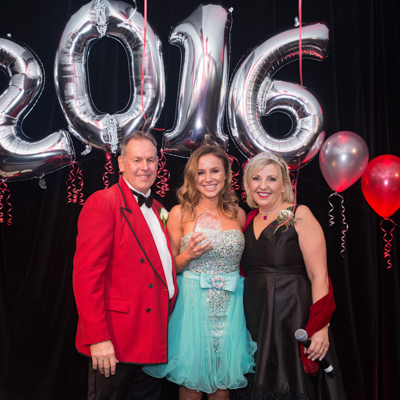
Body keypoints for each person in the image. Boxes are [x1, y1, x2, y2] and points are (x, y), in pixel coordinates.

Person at [143, 145, 256, 400]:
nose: (208, 178)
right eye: (201, 172)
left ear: (226, 174)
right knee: (191, 387)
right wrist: (189, 254)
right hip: (193, 308)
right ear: (193, 177)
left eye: (215, 171)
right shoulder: (179, 213)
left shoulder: (238, 214)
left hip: (231, 310)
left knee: (222, 387)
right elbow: (168, 270)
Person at [73, 131, 178, 400]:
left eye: (151, 160)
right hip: (116, 341)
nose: (145, 167)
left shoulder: (159, 210)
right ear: (121, 164)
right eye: (137, 160)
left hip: (152, 340)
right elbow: (86, 278)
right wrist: (97, 338)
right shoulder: (103, 202)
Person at [235, 152, 346, 399]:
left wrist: (320, 327)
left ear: (285, 184)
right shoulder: (249, 218)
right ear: (248, 184)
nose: (263, 186)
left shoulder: (298, 214)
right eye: (256, 178)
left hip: (291, 316)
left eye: (271, 179)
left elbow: (319, 276)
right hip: (255, 318)